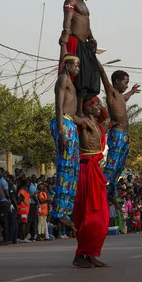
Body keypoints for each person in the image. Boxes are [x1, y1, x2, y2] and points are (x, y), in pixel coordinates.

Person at [73, 97, 109, 268]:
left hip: (96, 171)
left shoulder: (99, 127)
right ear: (87, 108)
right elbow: (72, 116)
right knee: (88, 215)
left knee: (102, 217)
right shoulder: (84, 122)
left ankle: (92, 254)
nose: (99, 106)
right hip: (86, 170)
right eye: (96, 104)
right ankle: (81, 254)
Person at [50, 52, 85, 230]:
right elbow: (58, 106)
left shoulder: (69, 81)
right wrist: (61, 132)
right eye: (75, 65)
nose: (77, 69)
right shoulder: (62, 80)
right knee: (65, 169)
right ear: (66, 66)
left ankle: (66, 210)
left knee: (73, 171)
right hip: (63, 124)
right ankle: (59, 212)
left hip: (70, 124)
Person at [97, 60, 140, 202]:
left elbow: (125, 98)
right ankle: (101, 186)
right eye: (125, 83)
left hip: (125, 135)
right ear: (116, 82)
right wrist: (93, 56)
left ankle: (110, 192)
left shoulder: (121, 97)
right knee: (112, 164)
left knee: (120, 165)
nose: (126, 85)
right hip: (117, 134)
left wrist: (132, 92)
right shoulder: (112, 93)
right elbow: (103, 73)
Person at [59, 0, 100, 117]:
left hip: (85, 43)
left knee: (88, 76)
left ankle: (82, 108)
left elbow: (86, 25)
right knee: (78, 76)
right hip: (75, 42)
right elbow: (68, 18)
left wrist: (92, 38)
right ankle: (77, 110)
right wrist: (65, 32)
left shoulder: (84, 5)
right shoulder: (71, 1)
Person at [0, 167, 11, 246]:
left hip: (3, 202)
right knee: (1, 221)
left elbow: (7, 193)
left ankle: (5, 239)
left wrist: (9, 202)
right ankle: (2, 238)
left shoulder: (3, 181)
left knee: (4, 221)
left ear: (2, 173)